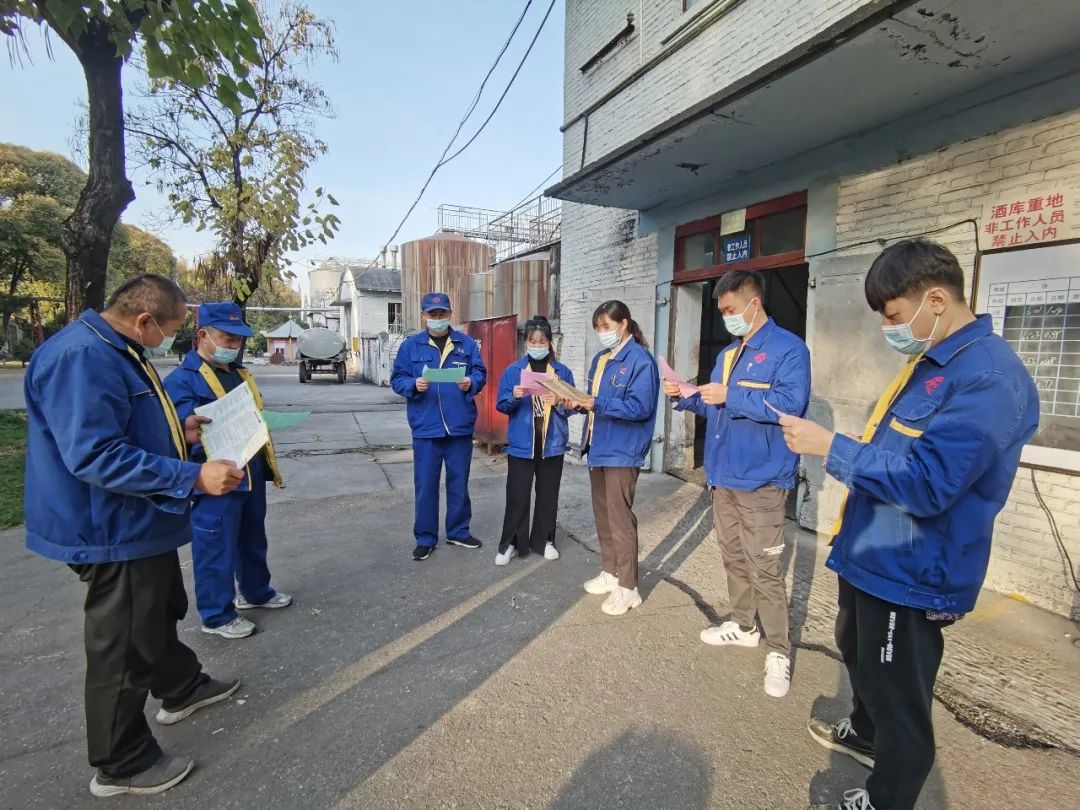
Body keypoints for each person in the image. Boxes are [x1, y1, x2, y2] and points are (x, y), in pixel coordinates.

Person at [778, 240, 1039, 810]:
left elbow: (930, 483)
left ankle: (888, 797)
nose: (888, 329)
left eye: (893, 315)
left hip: (913, 567)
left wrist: (832, 447)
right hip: (874, 550)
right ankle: (866, 733)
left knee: (899, 694)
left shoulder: (989, 379)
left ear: (936, 300)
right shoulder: (933, 362)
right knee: (858, 650)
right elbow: (901, 451)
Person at [23, 275, 245, 798]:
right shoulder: (82, 358)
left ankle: (180, 685)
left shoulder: (119, 348)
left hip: (138, 519)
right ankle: (120, 761)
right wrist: (193, 475)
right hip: (107, 526)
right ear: (145, 320)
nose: (171, 340)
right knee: (123, 640)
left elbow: (126, 425)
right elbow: (95, 454)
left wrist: (178, 432)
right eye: (171, 330)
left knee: (158, 606)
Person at [665, 269, 810, 698]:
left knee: (765, 565)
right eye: (722, 310)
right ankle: (744, 626)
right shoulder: (728, 354)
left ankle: (779, 650)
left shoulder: (789, 350)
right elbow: (718, 410)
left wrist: (732, 395)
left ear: (754, 304)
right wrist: (687, 397)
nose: (726, 317)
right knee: (733, 556)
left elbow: (790, 404)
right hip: (723, 475)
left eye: (730, 309)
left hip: (762, 477)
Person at [164, 303, 292, 640]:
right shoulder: (182, 380)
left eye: (238, 339)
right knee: (215, 545)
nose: (233, 345)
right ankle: (217, 615)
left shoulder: (238, 373)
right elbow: (176, 432)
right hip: (214, 478)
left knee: (252, 537)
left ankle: (256, 591)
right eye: (226, 338)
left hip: (249, 469)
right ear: (202, 336)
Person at [577, 300, 659, 616]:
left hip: (622, 450)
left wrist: (596, 403)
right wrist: (575, 402)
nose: (602, 333)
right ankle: (610, 572)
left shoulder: (640, 361)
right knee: (603, 514)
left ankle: (628, 587)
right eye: (597, 328)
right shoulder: (601, 359)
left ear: (623, 325)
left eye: (606, 327)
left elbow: (640, 408)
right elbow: (592, 402)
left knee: (620, 518)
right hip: (598, 446)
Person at [391, 292, 487, 561]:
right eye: (432, 314)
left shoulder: (466, 344)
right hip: (426, 428)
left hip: (459, 426)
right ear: (424, 316)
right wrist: (413, 385)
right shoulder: (411, 346)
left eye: (442, 313)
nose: (437, 318)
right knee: (425, 485)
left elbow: (480, 372)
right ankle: (425, 538)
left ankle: (458, 531)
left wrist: (471, 382)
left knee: (459, 482)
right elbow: (397, 378)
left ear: (450, 314)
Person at [494, 315, 574, 565]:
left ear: (549, 342)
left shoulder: (562, 372)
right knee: (517, 496)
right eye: (532, 341)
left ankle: (545, 540)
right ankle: (511, 544)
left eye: (542, 341)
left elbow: (574, 407)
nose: (537, 346)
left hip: (552, 443)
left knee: (548, 495)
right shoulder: (513, 372)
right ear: (525, 342)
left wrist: (559, 402)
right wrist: (514, 397)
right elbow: (501, 405)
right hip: (522, 444)